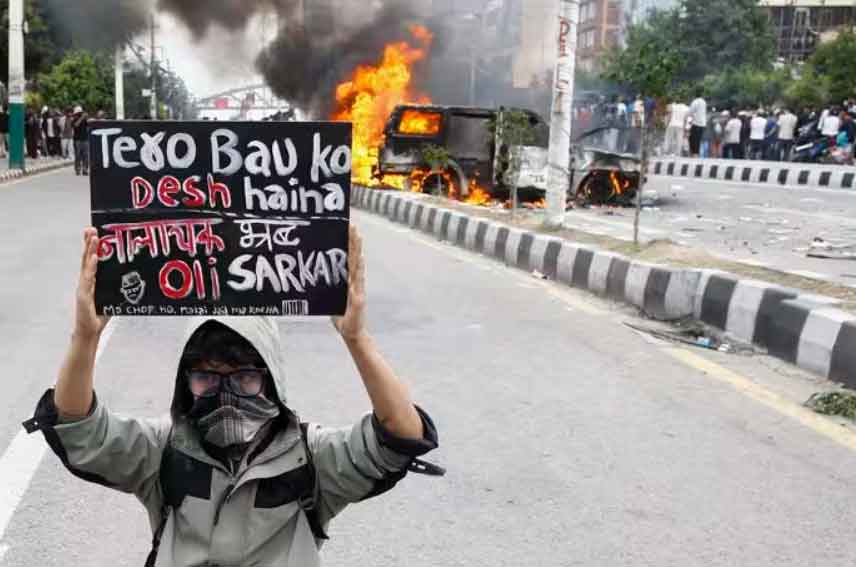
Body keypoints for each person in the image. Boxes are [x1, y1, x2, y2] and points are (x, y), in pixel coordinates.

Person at [25, 226, 440, 567]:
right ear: (185, 382)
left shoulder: (312, 459)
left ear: (270, 379)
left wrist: (356, 339)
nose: (224, 394)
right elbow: (79, 429)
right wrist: (85, 337)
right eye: (206, 377)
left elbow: (400, 436)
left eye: (243, 378)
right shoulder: (163, 451)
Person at [688, 92, 707, 157]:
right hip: (703, 123)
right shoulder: (704, 102)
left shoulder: (695, 102)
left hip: (696, 123)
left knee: (692, 138)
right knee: (698, 138)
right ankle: (696, 153)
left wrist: (690, 117)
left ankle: (694, 153)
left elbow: (690, 112)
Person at [72, 106, 90, 175]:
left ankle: (85, 169)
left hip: (85, 139)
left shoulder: (84, 120)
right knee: (78, 155)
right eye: (79, 113)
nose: (80, 114)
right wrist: (81, 118)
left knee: (86, 155)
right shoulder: (74, 120)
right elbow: (75, 125)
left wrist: (86, 118)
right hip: (77, 140)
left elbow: (89, 126)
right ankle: (78, 169)